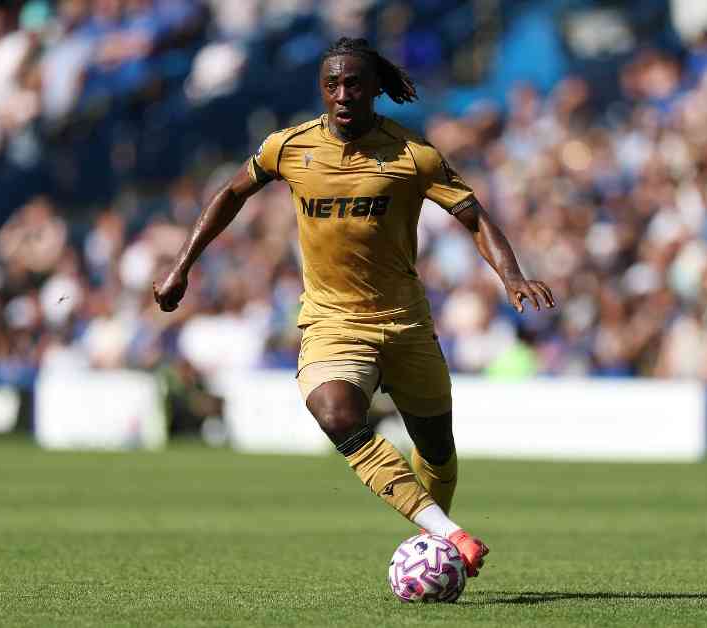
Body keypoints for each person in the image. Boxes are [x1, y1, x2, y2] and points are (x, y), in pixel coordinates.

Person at [153, 37, 556, 578]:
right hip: (332, 322)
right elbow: (230, 193)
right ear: (321, 89)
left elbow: (474, 216)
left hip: (405, 322)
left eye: (353, 83)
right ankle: (449, 535)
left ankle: (433, 538)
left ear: (373, 88)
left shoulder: (412, 154)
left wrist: (511, 275)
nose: (342, 94)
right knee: (336, 413)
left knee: (436, 447)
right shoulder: (288, 147)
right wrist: (182, 265)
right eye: (332, 84)